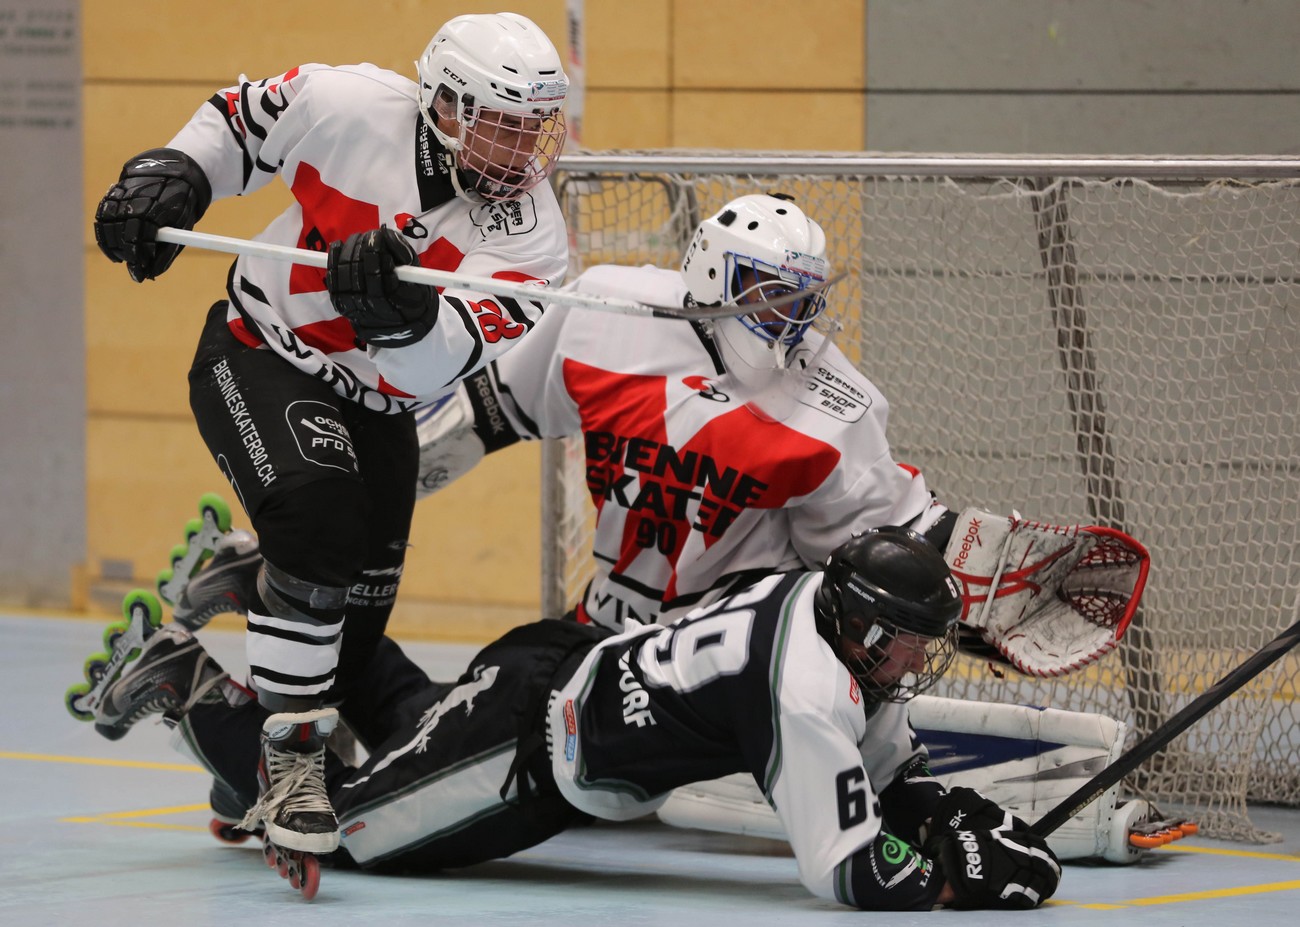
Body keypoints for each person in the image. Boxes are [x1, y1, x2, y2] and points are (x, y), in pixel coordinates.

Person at [91, 12, 571, 861]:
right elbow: (239, 122)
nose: (523, 150)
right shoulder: (347, 103)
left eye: (536, 127)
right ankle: (289, 766)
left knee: (346, 650)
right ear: (446, 105)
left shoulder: (536, 241)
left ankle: (247, 585)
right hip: (261, 349)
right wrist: (179, 172)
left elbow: (434, 364)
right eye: (503, 124)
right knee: (319, 521)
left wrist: (402, 316)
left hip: (381, 403)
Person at [90, 528, 1063, 910]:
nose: (918, 661)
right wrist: (951, 878)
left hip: (552, 668)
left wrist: (948, 813)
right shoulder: (805, 691)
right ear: (863, 627)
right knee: (338, 827)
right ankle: (184, 683)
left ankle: (265, 585)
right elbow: (849, 871)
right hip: (521, 753)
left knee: (411, 726)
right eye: (909, 642)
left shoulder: (815, 599)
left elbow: (883, 778)